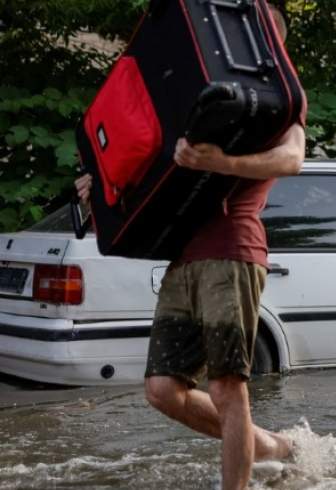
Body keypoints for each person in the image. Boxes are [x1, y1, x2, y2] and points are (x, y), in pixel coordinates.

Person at [75, 5, 305, 489]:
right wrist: (101, 189)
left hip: (232, 250)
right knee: (163, 390)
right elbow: (154, 163)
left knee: (226, 388)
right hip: (184, 256)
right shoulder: (199, 87)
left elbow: (291, 159)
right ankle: (278, 447)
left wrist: (224, 163)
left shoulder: (282, 99)